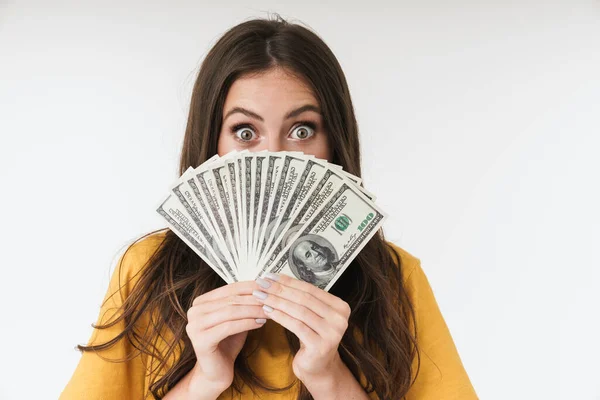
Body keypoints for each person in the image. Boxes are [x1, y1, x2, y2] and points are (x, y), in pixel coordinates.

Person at [59, 15, 478, 400]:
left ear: (333, 143)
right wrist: (204, 380)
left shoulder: (394, 278)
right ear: (212, 146)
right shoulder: (149, 270)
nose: (275, 157)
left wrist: (329, 377)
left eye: (301, 130)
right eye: (245, 131)